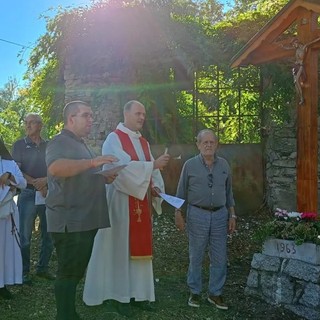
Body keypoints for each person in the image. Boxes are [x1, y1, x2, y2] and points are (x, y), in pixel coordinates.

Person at [83, 100, 170, 317]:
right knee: (119, 248)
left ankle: (139, 294)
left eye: (144, 113)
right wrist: (153, 166)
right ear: (126, 113)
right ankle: (119, 295)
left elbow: (151, 170)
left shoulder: (144, 143)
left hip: (141, 203)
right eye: (138, 113)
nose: (142, 117)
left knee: (139, 250)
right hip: (120, 204)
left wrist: (156, 187)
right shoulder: (114, 138)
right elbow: (118, 168)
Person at [46, 100, 118, 320]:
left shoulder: (80, 143)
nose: (91, 120)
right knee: (68, 273)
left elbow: (80, 175)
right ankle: (65, 316)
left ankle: (70, 314)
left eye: (91, 115)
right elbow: (56, 168)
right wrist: (93, 163)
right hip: (70, 221)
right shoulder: (59, 141)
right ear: (71, 119)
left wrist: (103, 178)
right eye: (86, 115)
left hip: (84, 220)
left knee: (75, 273)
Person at [175, 129, 236, 310]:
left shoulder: (224, 165)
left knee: (219, 255)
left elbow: (229, 193)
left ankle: (215, 293)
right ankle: (195, 291)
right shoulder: (189, 165)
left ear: (217, 144)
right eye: (205, 142)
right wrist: (178, 213)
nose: (208, 145)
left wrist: (232, 214)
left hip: (220, 215)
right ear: (198, 144)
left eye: (212, 142)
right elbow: (181, 191)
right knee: (196, 254)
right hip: (197, 214)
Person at [12, 113, 54, 284]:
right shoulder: (19, 145)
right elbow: (16, 169)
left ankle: (43, 269)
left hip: (47, 193)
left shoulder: (49, 145)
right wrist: (36, 183)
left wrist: (45, 182)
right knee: (25, 237)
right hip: (28, 194)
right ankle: (23, 272)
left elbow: (54, 167)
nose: (28, 126)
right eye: (26, 122)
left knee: (49, 233)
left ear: (40, 125)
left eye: (32, 123)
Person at [0, 140, 27, 299]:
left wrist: (10, 177)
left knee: (4, 251)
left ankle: (2, 284)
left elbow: (23, 183)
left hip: (6, 216)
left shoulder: (9, 163)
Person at [282, 37, 320, 105]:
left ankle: (302, 98)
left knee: (297, 81)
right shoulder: (295, 49)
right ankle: (300, 97)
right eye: (293, 44)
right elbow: (288, 48)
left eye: (294, 44)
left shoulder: (304, 47)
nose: (293, 45)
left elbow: (312, 42)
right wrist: (283, 47)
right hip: (296, 67)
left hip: (301, 66)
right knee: (295, 83)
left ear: (297, 42)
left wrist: (318, 39)